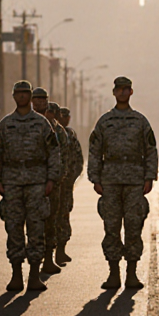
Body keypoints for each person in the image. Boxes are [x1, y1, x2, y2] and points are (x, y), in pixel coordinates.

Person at [87, 76, 158, 291]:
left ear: (131, 92)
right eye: (119, 89)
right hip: (110, 181)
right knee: (111, 227)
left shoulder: (140, 121)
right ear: (114, 92)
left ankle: (132, 274)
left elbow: (150, 151)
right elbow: (94, 151)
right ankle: (113, 273)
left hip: (135, 181)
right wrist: (95, 178)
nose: (123, 93)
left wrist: (149, 177)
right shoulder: (104, 122)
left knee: (134, 227)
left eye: (126, 89)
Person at [0, 80, 61, 291]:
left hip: (37, 183)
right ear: (13, 97)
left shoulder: (42, 124)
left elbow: (53, 153)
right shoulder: (4, 124)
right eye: (18, 93)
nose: (21, 97)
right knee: (14, 230)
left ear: (30, 96)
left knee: (36, 229)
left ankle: (34, 275)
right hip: (11, 184)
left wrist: (51, 179)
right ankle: (16, 274)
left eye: (25, 93)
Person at [32, 88, 70, 276]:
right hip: (29, 182)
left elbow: (63, 155)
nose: (39, 102)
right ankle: (32, 262)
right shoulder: (19, 124)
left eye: (42, 99)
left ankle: (48, 258)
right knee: (31, 222)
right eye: (36, 98)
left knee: (51, 221)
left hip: (52, 184)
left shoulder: (57, 130)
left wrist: (58, 179)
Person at [55, 105, 85, 266]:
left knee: (64, 215)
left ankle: (61, 250)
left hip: (65, 184)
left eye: (67, 116)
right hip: (51, 184)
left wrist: (72, 177)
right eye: (63, 115)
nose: (66, 118)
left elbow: (78, 158)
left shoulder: (70, 134)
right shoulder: (51, 131)